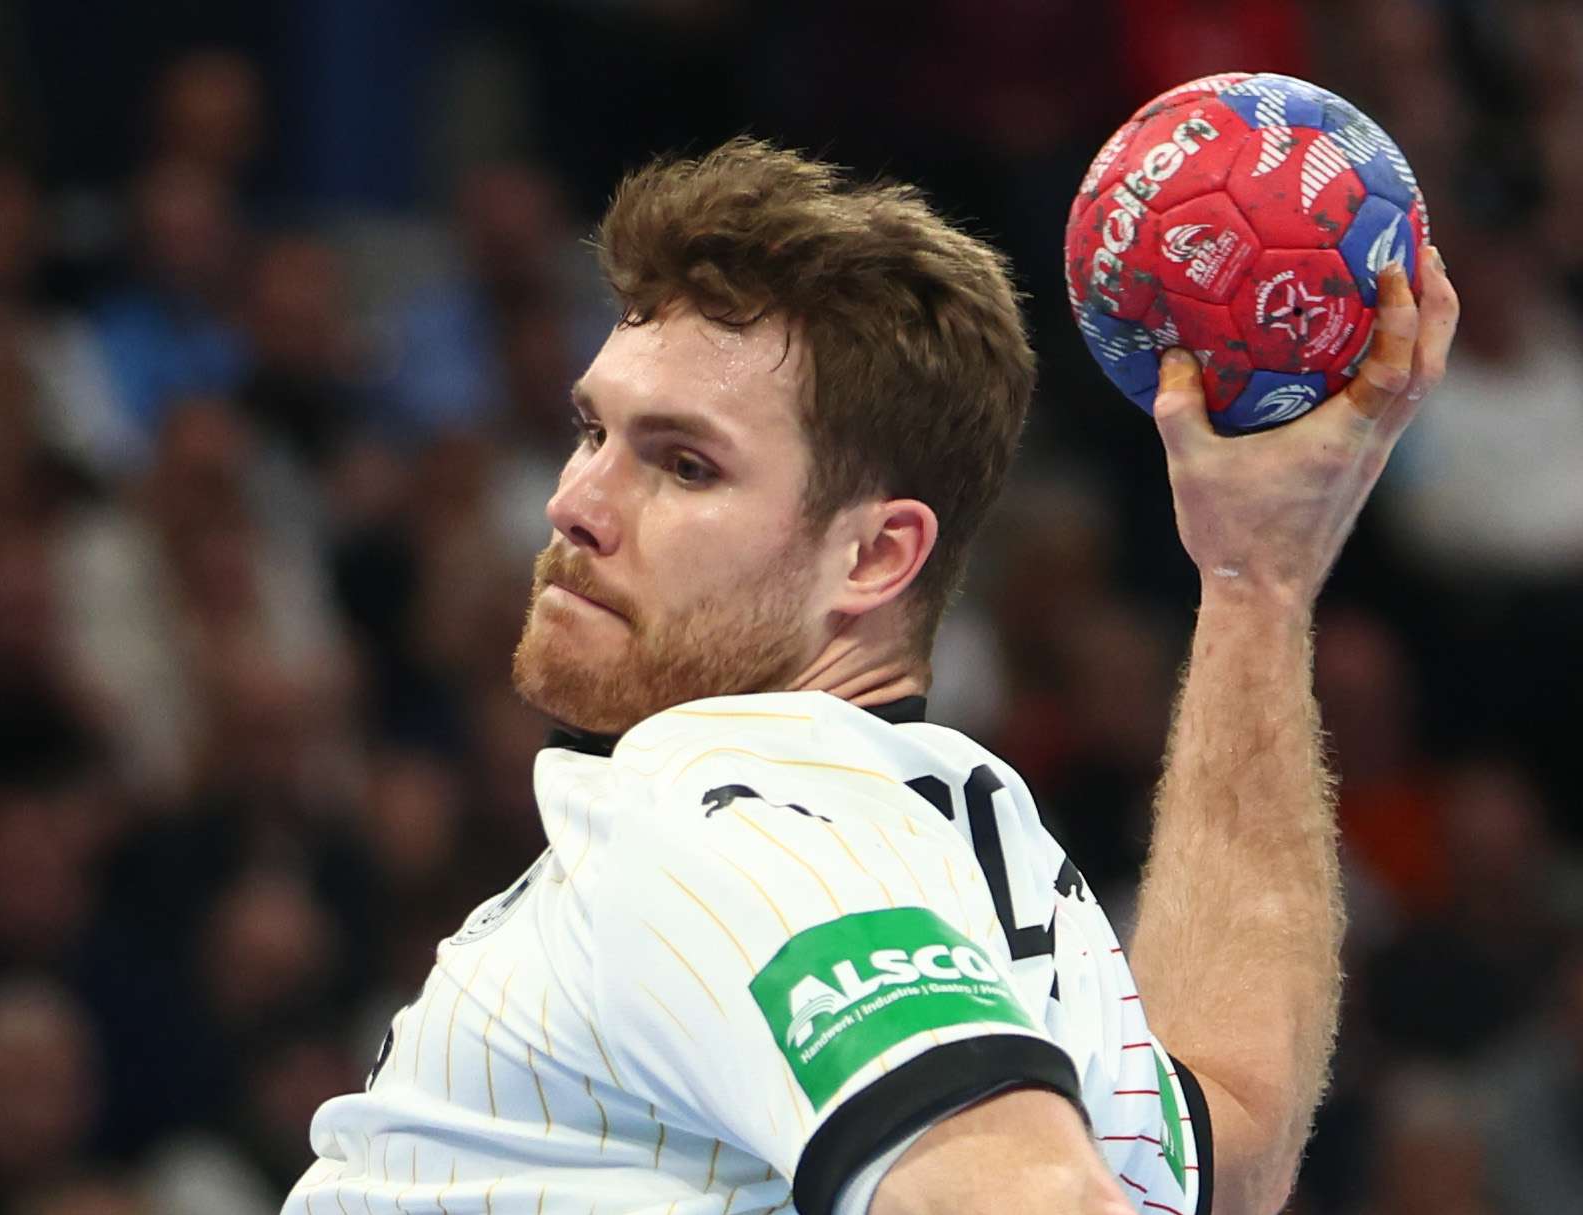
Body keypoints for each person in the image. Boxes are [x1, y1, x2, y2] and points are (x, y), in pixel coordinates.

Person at [279, 137, 1460, 1215]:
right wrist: (1256, 586)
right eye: (593, 433)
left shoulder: (737, 810)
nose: (575, 504)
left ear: (878, 554)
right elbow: (1236, 1135)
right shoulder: (967, 855)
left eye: (684, 466)